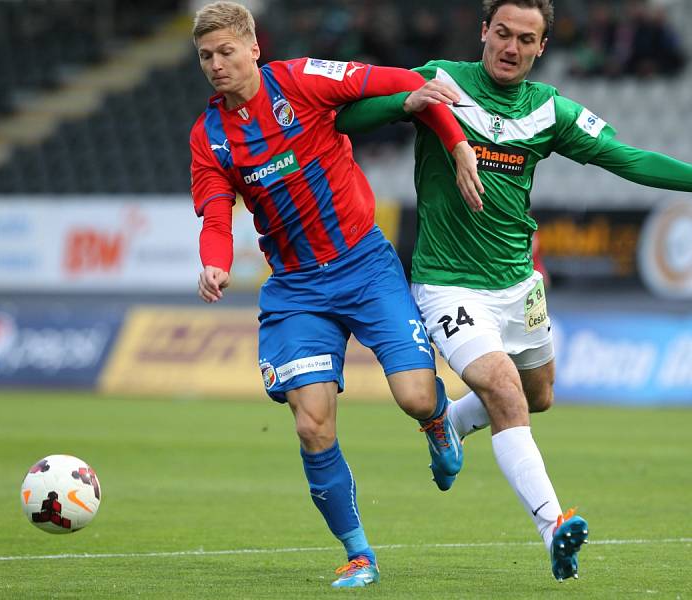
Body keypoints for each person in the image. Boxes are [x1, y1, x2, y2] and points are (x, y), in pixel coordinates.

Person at [335, 0, 692, 583]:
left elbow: (628, 160)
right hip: (448, 284)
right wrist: (407, 101)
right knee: (502, 386)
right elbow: (346, 120)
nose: (511, 47)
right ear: (483, 32)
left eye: (526, 38)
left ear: (542, 47)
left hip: (519, 282)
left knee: (537, 394)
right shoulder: (440, 79)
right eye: (502, 33)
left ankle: (450, 424)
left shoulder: (550, 110)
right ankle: (554, 524)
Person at [189, 1, 485, 588]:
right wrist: (214, 265)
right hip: (297, 289)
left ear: (254, 47)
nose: (217, 65)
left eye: (226, 51)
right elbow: (216, 217)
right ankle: (358, 554)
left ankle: (437, 422)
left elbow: (405, 84)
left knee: (415, 395)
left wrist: (456, 144)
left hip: (365, 265)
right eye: (205, 56)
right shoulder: (210, 136)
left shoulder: (301, 80)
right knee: (311, 425)